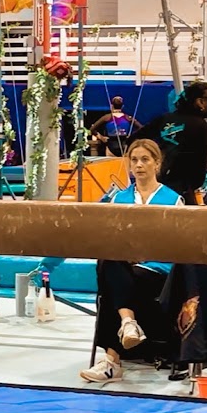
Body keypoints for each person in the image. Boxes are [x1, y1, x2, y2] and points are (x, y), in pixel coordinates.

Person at [75, 139, 183, 385]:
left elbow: (177, 244)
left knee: (112, 283)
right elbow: (110, 238)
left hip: (158, 270)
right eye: (134, 160)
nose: (139, 165)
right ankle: (127, 324)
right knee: (109, 261)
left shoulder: (173, 199)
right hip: (126, 267)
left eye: (145, 159)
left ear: (157, 163)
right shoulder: (119, 198)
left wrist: (146, 254)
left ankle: (112, 360)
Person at [129, 81, 207, 205]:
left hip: (156, 185)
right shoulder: (202, 126)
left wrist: (156, 157)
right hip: (182, 189)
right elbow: (201, 163)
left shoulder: (164, 119)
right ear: (200, 102)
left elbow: (133, 140)